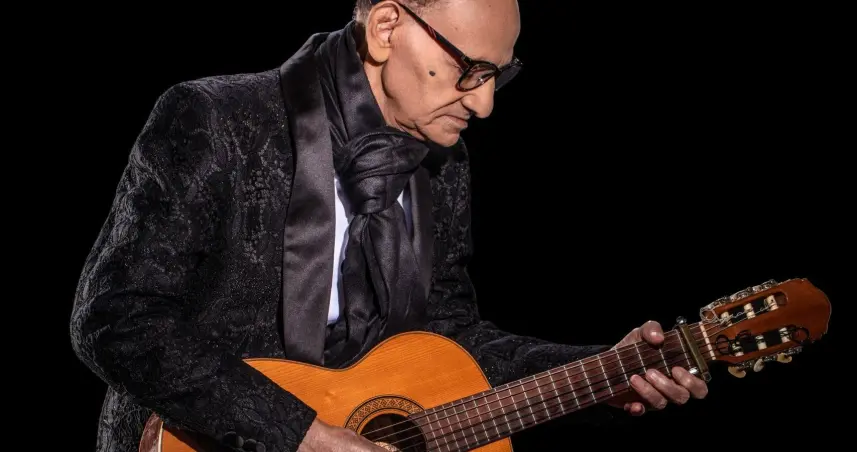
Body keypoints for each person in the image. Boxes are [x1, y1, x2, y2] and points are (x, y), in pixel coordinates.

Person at [70, 1, 708, 451]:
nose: (485, 103)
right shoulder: (214, 120)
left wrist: (600, 371)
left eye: (499, 75)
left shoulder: (444, 161)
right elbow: (115, 320)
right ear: (385, 28)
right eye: (470, 70)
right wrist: (304, 436)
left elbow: (447, 343)